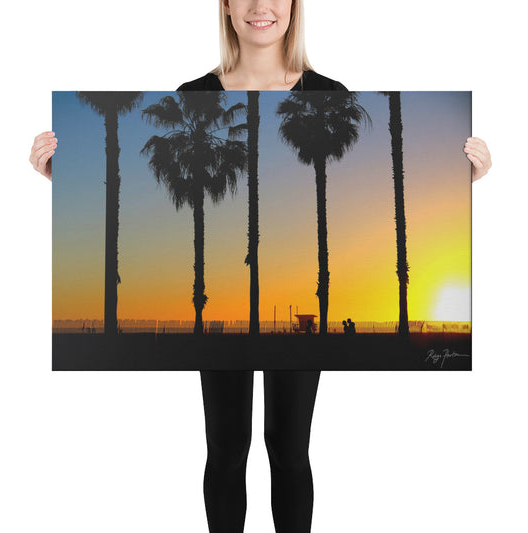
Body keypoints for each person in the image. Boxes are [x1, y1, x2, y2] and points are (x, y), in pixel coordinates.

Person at [28, 1, 492, 532]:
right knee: (226, 449)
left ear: (295, 8)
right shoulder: (193, 97)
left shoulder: (330, 96)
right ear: (225, 7)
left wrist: (464, 182)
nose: (260, 6)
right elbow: (144, 200)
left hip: (299, 288)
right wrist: (56, 176)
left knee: (289, 450)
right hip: (222, 292)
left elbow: (360, 200)